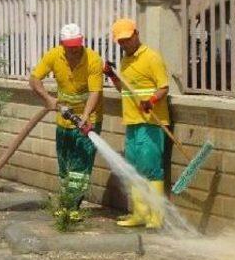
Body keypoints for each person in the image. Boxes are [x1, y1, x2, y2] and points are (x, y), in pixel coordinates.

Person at [29, 23, 104, 209]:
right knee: (64, 164)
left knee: (80, 167)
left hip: (88, 121)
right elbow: (34, 79)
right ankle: (66, 204)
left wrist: (85, 116)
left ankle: (72, 207)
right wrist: (48, 99)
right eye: (70, 46)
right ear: (62, 44)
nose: (75, 49)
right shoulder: (54, 55)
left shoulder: (93, 59)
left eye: (77, 45)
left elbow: (95, 92)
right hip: (64, 120)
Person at [104, 18, 169, 228]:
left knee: (150, 169)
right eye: (121, 41)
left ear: (136, 34)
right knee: (134, 168)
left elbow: (163, 87)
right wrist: (112, 76)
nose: (125, 44)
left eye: (127, 39)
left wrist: (151, 101)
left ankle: (156, 217)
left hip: (150, 123)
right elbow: (125, 90)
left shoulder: (152, 58)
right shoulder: (125, 61)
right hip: (131, 121)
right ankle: (140, 214)